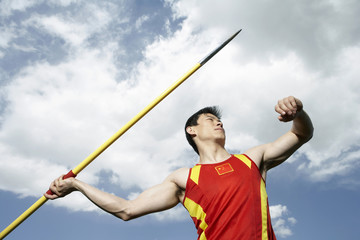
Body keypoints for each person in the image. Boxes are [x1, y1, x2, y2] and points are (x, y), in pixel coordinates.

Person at [45, 96, 313, 240]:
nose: (219, 123)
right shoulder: (184, 178)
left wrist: (298, 112)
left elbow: (301, 135)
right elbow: (126, 209)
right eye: (210, 119)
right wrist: (77, 185)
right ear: (191, 130)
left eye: (220, 120)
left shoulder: (252, 159)